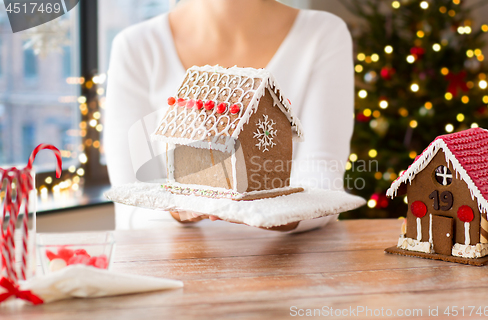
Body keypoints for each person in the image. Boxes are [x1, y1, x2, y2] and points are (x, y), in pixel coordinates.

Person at [104, 0, 353, 232]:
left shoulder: (322, 33)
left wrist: (273, 215)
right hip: (172, 266)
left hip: (287, 262)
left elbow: (323, 183)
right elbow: (130, 211)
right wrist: (178, 209)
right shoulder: (136, 46)